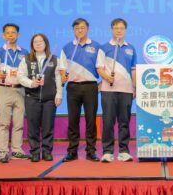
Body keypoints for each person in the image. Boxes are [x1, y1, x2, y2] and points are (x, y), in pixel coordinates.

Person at [59, 18, 105, 162]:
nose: (80, 30)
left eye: (82, 28)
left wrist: (102, 83)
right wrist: (63, 76)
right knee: (73, 120)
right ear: (73, 30)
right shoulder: (67, 48)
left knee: (91, 120)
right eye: (77, 28)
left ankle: (91, 151)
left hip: (91, 87)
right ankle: (72, 151)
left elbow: (101, 67)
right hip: (73, 87)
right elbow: (62, 69)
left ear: (87, 29)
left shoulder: (97, 47)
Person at [17, 33, 62, 162]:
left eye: (40, 41)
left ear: (46, 43)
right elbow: (20, 76)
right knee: (33, 127)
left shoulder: (54, 59)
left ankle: (47, 151)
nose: (38, 43)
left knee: (48, 126)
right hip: (32, 97)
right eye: (35, 41)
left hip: (49, 99)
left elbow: (58, 78)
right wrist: (31, 83)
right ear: (32, 45)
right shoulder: (26, 59)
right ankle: (35, 152)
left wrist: (59, 94)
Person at [98, 18, 137, 162]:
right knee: (108, 121)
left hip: (126, 90)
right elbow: (99, 68)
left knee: (124, 121)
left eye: (121, 28)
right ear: (112, 30)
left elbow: (133, 70)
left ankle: (124, 151)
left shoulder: (130, 48)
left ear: (125, 30)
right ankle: (107, 151)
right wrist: (107, 77)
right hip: (108, 90)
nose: (119, 31)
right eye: (116, 28)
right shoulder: (104, 48)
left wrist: (134, 87)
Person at [0, 23, 29, 163]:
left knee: (19, 122)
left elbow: (28, 71)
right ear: (3, 35)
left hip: (20, 89)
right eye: (8, 33)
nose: (10, 35)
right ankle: (3, 151)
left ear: (18, 35)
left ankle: (17, 150)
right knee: (4, 123)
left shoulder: (24, 52)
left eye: (13, 33)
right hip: (4, 89)